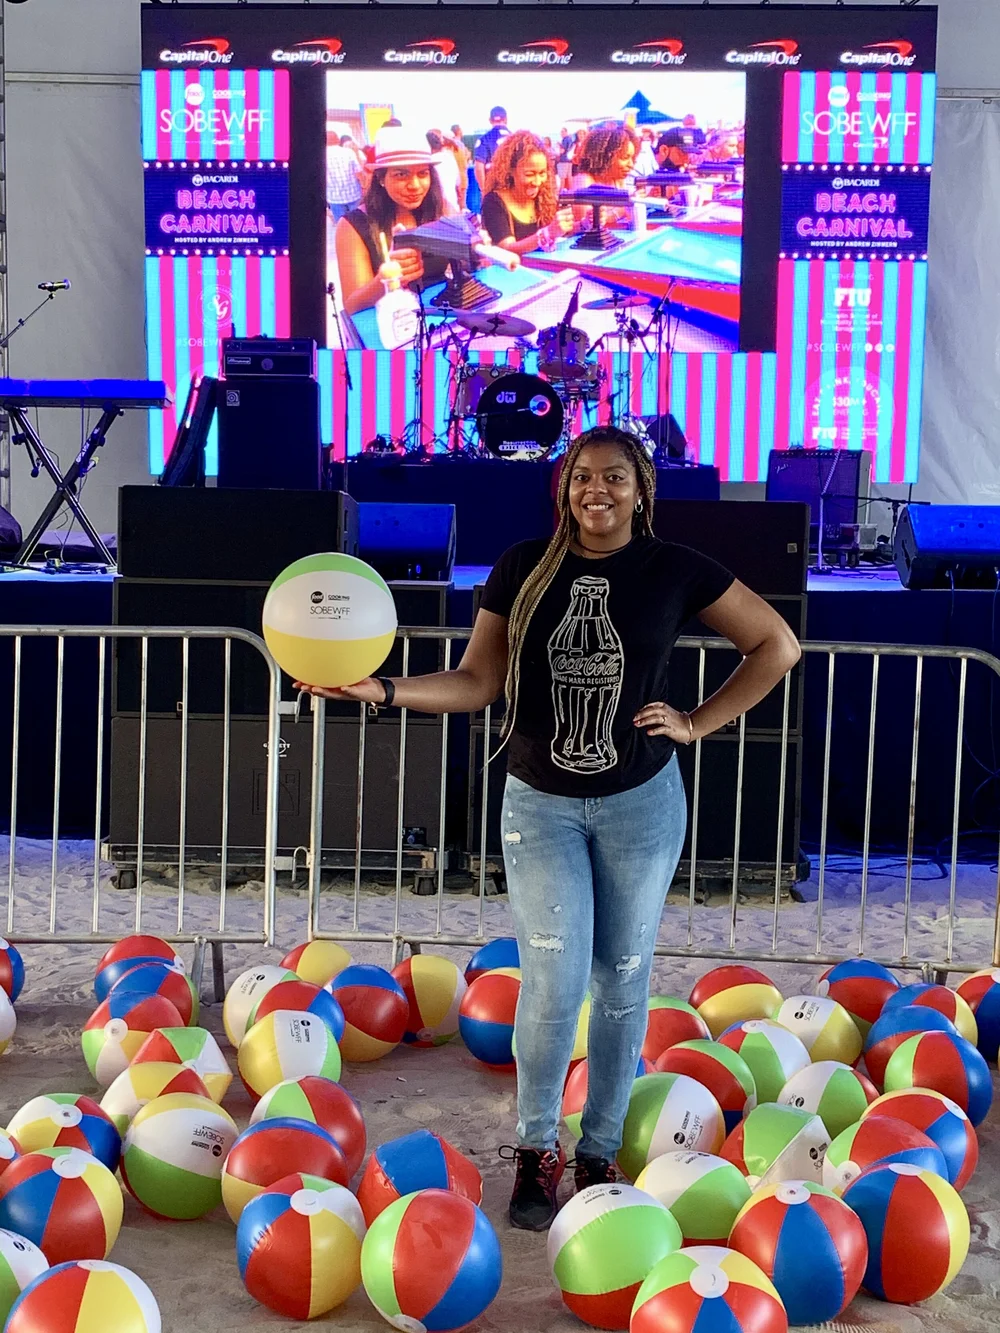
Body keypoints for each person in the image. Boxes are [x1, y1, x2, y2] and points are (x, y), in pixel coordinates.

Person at [294, 425, 802, 1232]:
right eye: (580, 478)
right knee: (556, 982)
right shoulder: (526, 566)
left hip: (643, 802)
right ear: (562, 488)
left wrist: (700, 721)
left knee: (624, 975)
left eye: (613, 478)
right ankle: (538, 1148)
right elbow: (477, 681)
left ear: (642, 489)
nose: (595, 491)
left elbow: (776, 643)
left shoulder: (674, 566)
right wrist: (383, 689)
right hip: (540, 802)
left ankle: (598, 1150)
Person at [334, 125, 452, 315]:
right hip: (390, 325)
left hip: (444, 316)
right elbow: (352, 305)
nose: (414, 185)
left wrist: (476, 249)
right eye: (401, 174)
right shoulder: (352, 225)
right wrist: (386, 279)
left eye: (423, 173)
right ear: (381, 178)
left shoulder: (442, 208)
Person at [480, 130, 575, 255]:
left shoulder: (544, 196)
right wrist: (547, 234)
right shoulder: (493, 202)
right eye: (530, 174)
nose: (537, 182)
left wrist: (587, 223)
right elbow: (506, 249)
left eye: (542, 173)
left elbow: (560, 230)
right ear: (510, 171)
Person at [571, 124, 641, 227]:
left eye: (632, 158)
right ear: (606, 157)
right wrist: (626, 205)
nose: (631, 165)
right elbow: (587, 225)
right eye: (625, 158)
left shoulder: (618, 179)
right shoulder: (583, 181)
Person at [326, 132, 364, 223]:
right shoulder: (348, 152)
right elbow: (358, 172)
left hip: (334, 198)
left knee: (342, 224)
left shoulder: (321, 155)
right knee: (359, 224)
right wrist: (364, 187)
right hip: (354, 194)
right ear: (338, 140)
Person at [474, 106, 510, 195]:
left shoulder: (484, 139)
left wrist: (483, 190)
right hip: (513, 189)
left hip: (493, 189)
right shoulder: (517, 139)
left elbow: (479, 167)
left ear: (490, 120)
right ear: (506, 119)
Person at [427, 129, 462, 213]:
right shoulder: (450, 158)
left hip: (436, 212)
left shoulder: (428, 162)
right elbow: (458, 187)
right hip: (453, 209)